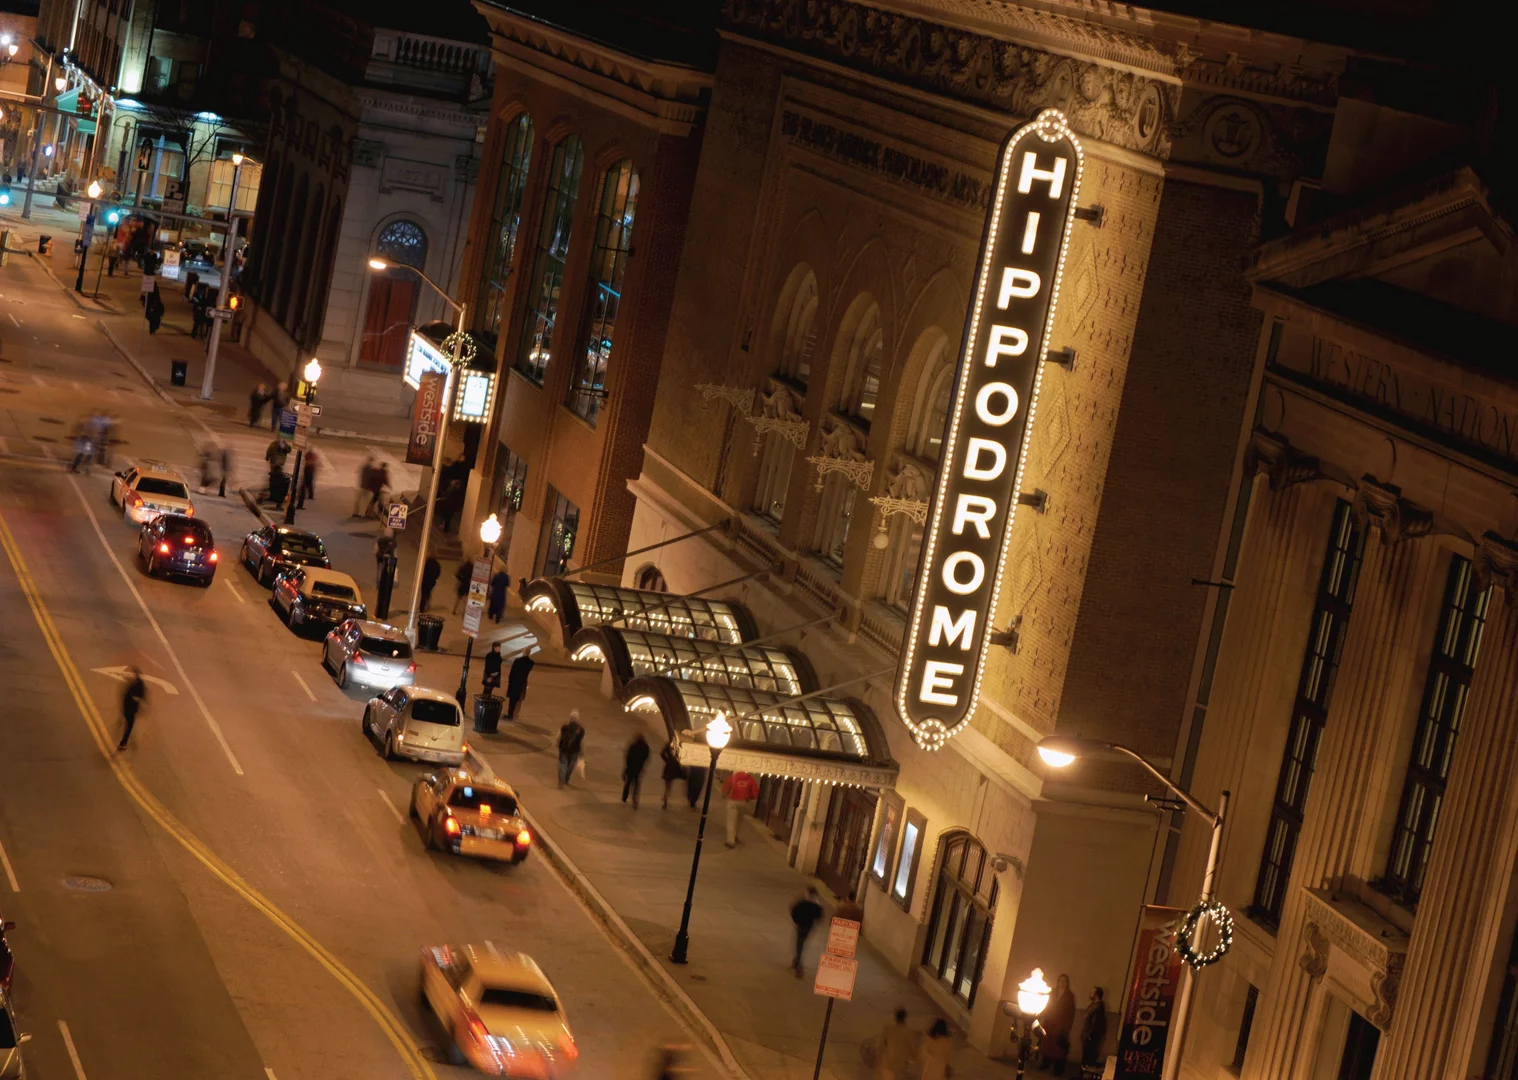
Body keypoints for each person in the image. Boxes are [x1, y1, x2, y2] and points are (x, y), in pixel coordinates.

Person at [1039, 973, 1077, 1076]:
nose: (1062, 983)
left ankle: (1058, 1069)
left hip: (1060, 1025)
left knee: (1059, 1048)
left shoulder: (1069, 996)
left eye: (1064, 981)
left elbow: (1070, 1013)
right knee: (1047, 1045)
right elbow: (1047, 1005)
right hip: (1049, 1023)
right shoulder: (1053, 992)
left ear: (1067, 983)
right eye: (1060, 980)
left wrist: (1066, 1027)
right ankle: (1045, 1063)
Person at [789, 887, 823, 977]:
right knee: (802, 942)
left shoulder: (802, 902)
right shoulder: (816, 905)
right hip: (808, 927)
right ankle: (797, 960)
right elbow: (819, 916)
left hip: (801, 925)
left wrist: (796, 920)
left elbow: (794, 911)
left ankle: (798, 962)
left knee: (799, 943)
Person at [875, 1008, 918, 1080]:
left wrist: (878, 1058)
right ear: (905, 1018)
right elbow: (912, 1052)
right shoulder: (909, 1033)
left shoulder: (888, 1029)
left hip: (886, 1064)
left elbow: (880, 1046)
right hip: (898, 1067)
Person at [721, 769, 759, 847]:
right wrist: (749, 797)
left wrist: (724, 795)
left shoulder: (732, 777)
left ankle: (730, 841)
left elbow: (725, 788)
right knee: (739, 820)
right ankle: (735, 836)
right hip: (744, 802)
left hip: (733, 801)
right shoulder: (750, 779)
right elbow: (755, 793)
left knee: (731, 821)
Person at [1080, 987, 1107, 1075]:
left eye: (1092, 992)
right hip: (1088, 1035)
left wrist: (1089, 1036)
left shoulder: (1098, 1008)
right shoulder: (1093, 1005)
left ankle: (1085, 1075)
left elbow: (1096, 1024)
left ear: (1096, 995)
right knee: (1085, 1057)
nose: (1090, 993)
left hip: (1092, 1037)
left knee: (1089, 1059)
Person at [118, 668, 146, 750]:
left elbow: (125, 696)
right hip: (132, 710)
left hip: (128, 709)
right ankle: (124, 742)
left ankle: (124, 742)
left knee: (129, 725)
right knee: (129, 726)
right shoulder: (140, 685)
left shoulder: (132, 685)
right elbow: (142, 697)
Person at [557, 711, 585, 788]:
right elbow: (581, 741)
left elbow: (559, 736)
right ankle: (566, 778)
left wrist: (557, 743)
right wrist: (581, 751)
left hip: (564, 748)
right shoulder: (581, 730)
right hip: (575, 750)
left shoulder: (564, 727)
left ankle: (561, 779)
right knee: (571, 765)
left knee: (563, 763)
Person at [622, 733, 650, 808]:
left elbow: (628, 756)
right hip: (639, 768)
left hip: (631, 767)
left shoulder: (633, 746)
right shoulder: (645, 747)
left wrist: (626, 767)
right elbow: (646, 756)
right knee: (637, 785)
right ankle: (635, 800)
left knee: (628, 783)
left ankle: (624, 797)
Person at [505, 653, 534, 720]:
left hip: (515, 682)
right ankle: (515, 714)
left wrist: (510, 681)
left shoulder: (517, 661)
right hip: (522, 683)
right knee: (519, 700)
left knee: (512, 700)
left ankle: (510, 714)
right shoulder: (531, 663)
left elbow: (512, 672)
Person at [660, 740, 685, 810]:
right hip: (675, 767)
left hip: (668, 766)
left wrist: (667, 760)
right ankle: (666, 798)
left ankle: (665, 800)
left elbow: (662, 753)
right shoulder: (679, 746)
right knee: (669, 785)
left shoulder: (669, 744)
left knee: (667, 785)